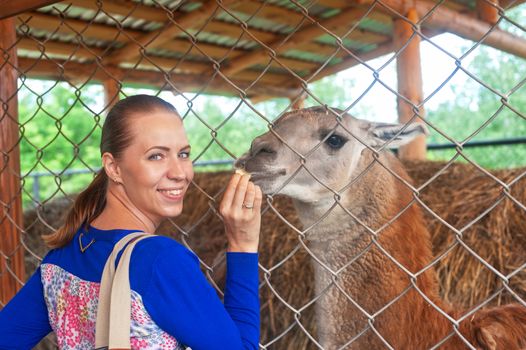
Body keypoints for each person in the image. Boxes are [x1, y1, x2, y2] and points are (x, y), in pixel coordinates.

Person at [0, 95, 262, 349]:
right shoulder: (160, 260)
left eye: (183, 154)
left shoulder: (62, 258)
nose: (180, 173)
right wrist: (242, 244)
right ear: (113, 168)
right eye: (156, 156)